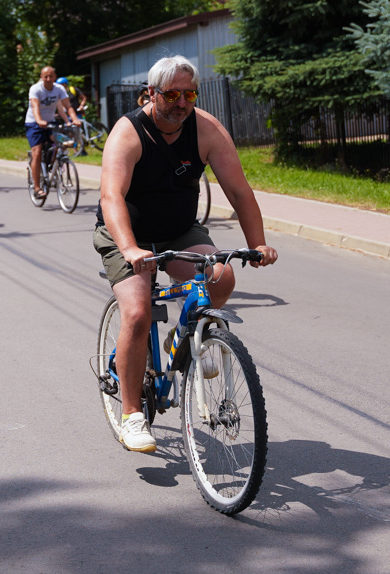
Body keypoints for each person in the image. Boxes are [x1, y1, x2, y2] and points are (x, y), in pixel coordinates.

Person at [93, 55, 278, 453]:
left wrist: (257, 242)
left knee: (222, 276)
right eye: (172, 94)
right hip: (127, 232)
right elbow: (111, 197)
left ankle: (193, 334)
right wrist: (129, 248)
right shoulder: (128, 132)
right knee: (139, 312)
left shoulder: (206, 128)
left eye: (189, 93)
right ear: (152, 93)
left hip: (177, 229)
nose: (181, 102)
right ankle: (131, 415)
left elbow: (239, 190)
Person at [24, 66, 81, 199]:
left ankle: (54, 164)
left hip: (50, 122)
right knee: (37, 152)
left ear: (55, 77)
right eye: (46, 77)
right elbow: (34, 106)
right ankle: (37, 188)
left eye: (51, 76)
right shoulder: (35, 89)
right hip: (34, 123)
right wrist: (39, 120)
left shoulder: (59, 89)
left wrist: (74, 119)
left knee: (61, 142)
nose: (48, 79)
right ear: (41, 77)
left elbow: (68, 106)